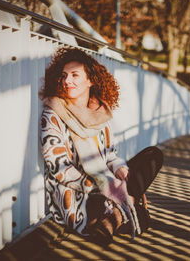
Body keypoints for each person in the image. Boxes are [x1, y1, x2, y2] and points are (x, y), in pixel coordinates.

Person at [40, 47, 163, 244]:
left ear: (90, 80)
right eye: (64, 76)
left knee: (153, 154)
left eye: (74, 75)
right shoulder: (53, 113)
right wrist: (98, 186)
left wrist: (120, 168)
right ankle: (114, 216)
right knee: (139, 216)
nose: (67, 81)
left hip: (106, 184)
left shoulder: (100, 114)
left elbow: (110, 156)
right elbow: (58, 168)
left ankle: (112, 218)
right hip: (79, 192)